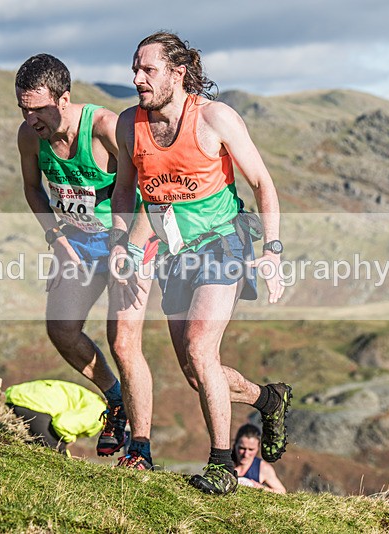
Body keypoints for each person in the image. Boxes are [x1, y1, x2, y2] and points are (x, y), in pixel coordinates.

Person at [109, 31, 293, 494]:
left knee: (198, 347)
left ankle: (222, 466)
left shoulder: (214, 118)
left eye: (148, 70)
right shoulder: (130, 125)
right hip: (174, 253)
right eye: (135, 70)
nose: (138, 79)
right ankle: (267, 400)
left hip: (223, 243)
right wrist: (122, 245)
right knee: (196, 374)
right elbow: (126, 191)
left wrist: (272, 251)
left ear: (178, 73)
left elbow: (263, 183)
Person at [16, 54, 155, 468]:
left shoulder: (104, 127)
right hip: (77, 241)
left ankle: (141, 450)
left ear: (64, 99)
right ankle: (116, 399)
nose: (31, 119)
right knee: (61, 329)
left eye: (38, 109)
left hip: (128, 240)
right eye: (23, 109)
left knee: (123, 342)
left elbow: (149, 191)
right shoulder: (29, 136)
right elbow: (32, 188)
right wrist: (56, 238)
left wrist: (128, 247)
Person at [5, 380, 107, 454]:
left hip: (18, 395)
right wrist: (70, 439)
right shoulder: (99, 414)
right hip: (35, 405)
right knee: (60, 456)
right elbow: (62, 424)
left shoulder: (95, 401)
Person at [232, 424, 286, 494]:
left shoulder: (263, 468)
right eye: (242, 448)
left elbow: (281, 491)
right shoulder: (223, 462)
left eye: (251, 449)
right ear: (235, 445)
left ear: (258, 448)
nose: (246, 454)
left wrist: (260, 488)